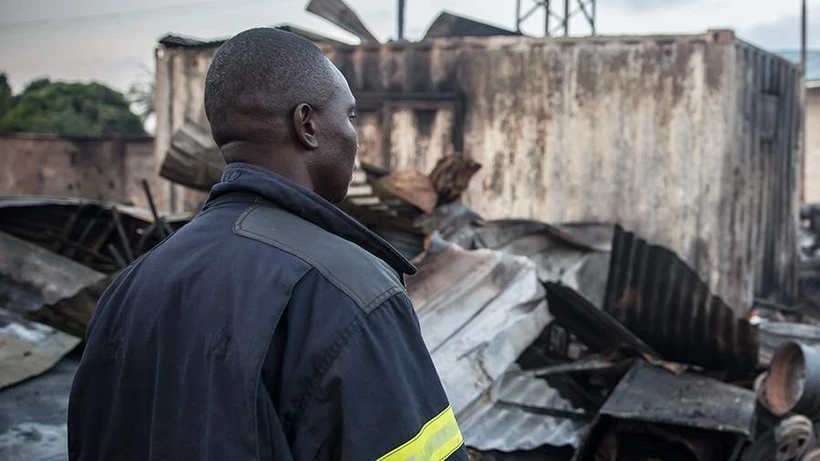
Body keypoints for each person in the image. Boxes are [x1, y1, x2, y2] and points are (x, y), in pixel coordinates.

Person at [67, 28, 467, 461]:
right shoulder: (350, 289)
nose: (355, 137)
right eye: (349, 116)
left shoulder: (127, 290)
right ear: (307, 125)